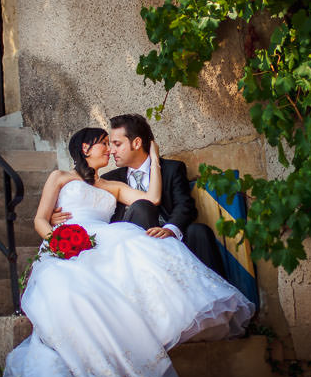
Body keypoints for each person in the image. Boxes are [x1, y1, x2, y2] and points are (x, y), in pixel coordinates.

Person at [0, 127, 255, 377]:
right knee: (71, 290)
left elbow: (152, 198)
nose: (109, 150)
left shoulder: (111, 185)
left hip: (104, 239)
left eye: (111, 143)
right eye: (103, 144)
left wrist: (155, 158)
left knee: (142, 247)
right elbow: (40, 219)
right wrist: (58, 241)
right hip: (66, 243)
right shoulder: (59, 177)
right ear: (85, 148)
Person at [52, 113, 228, 279]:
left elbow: (185, 206)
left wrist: (170, 229)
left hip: (165, 233)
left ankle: (219, 294)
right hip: (129, 242)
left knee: (199, 231)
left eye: (117, 144)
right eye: (108, 144)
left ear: (136, 143)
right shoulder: (109, 179)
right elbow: (92, 208)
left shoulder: (172, 169)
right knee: (141, 207)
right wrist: (57, 217)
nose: (111, 151)